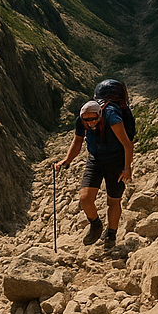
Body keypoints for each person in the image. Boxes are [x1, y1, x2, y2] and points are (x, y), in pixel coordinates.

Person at [55, 98, 134, 250]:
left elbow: (127, 144)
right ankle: (96, 224)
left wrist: (127, 168)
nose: (90, 123)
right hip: (95, 159)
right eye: (87, 120)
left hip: (115, 161)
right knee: (85, 198)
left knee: (113, 201)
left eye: (93, 119)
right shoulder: (82, 120)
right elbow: (77, 142)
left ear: (100, 114)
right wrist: (67, 160)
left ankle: (111, 234)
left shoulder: (112, 118)